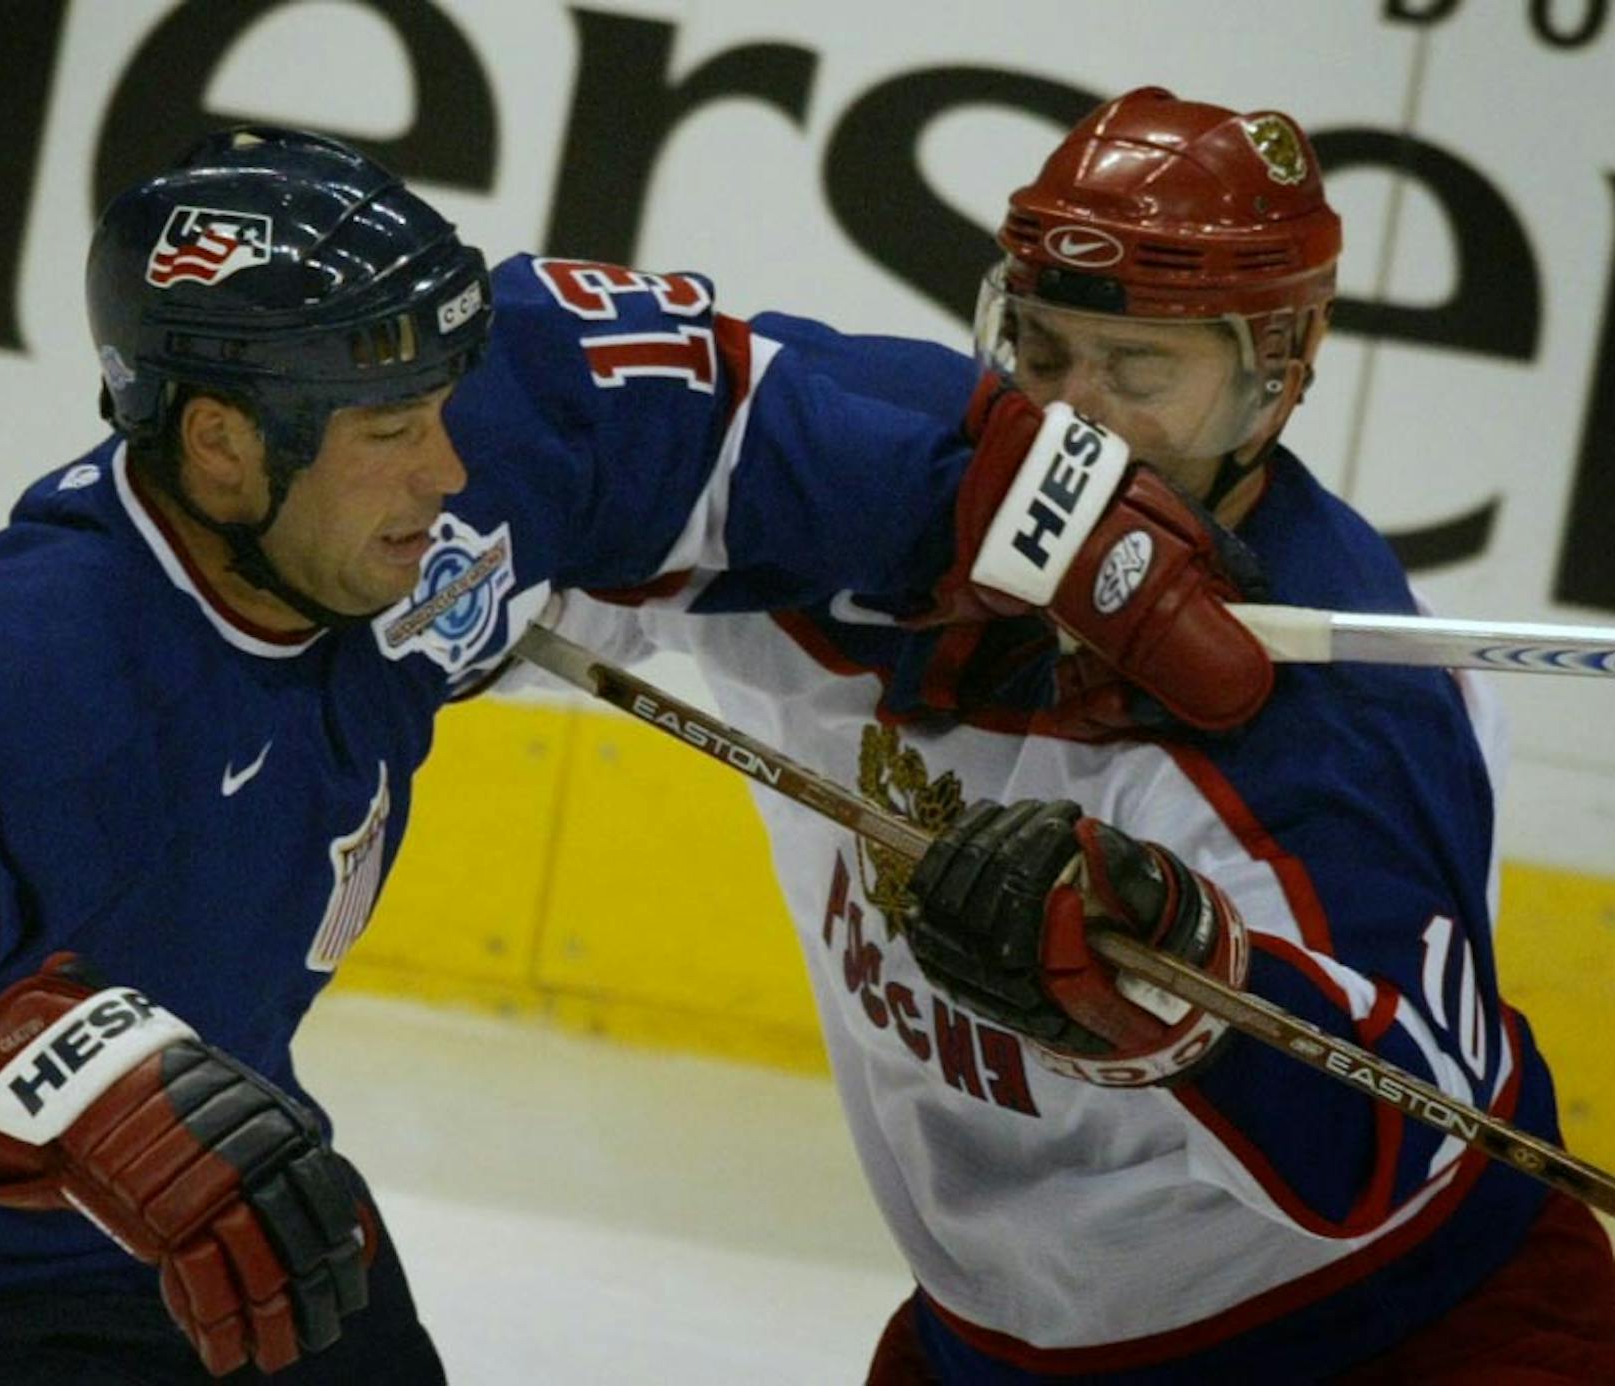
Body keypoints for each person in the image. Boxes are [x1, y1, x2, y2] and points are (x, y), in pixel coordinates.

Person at [0, 125, 1264, 1383]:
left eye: (445, 404)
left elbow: (715, 402)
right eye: (394, 430)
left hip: (228, 1202)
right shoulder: (20, 665)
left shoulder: (415, 462)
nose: (453, 465)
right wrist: (66, 1098)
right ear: (218, 443)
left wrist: (1014, 496)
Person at [542, 88, 1615, 1379]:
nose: (1074, 418)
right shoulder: (866, 527)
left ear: (1275, 374)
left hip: (1402, 1334)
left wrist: (1184, 981)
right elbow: (565, 503)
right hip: (997, 1345)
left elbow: (1380, 1149)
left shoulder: (1350, 717)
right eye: (1042, 353)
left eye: (1140, 369)